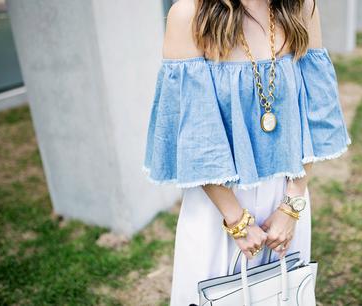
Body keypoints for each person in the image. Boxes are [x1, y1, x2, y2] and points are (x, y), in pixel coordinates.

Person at [143, 0, 351, 304]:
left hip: (287, 195)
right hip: (218, 204)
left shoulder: (300, 8)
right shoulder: (188, 15)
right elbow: (198, 139)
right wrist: (237, 221)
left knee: (283, 293)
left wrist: (292, 204)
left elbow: (316, 116)